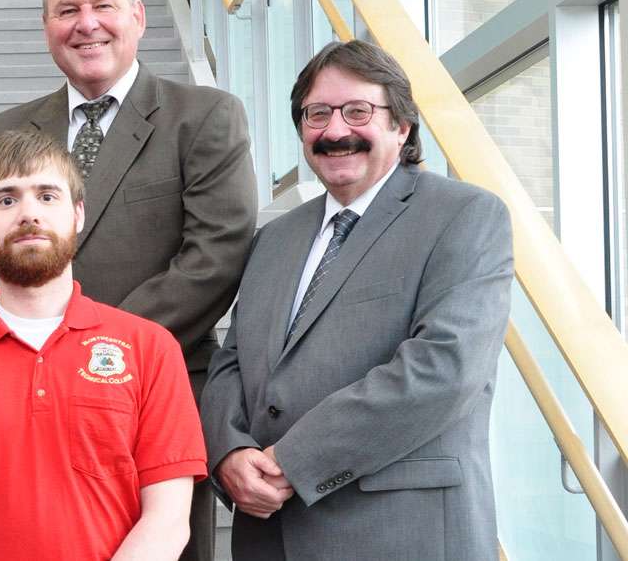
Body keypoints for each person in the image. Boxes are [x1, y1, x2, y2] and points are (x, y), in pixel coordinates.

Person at [0, 0, 256, 561]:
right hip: (18, 393)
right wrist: (28, 345)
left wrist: (93, 348)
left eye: (102, 5)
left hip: (153, 395)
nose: (85, 23)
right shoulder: (2, 132)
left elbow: (216, 252)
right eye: (66, 10)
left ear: (139, 16)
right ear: (46, 28)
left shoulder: (203, 116)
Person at [201, 40, 513, 559]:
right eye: (317, 114)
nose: (336, 131)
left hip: (398, 532)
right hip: (270, 533)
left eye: (359, 111)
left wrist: (292, 462)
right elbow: (231, 361)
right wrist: (229, 451)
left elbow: (443, 369)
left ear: (401, 126)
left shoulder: (465, 216)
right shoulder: (274, 240)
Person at [0, 131, 208, 560]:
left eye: (47, 196)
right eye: (6, 199)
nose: (28, 213)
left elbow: (167, 520)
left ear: (78, 214)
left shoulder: (150, 350)